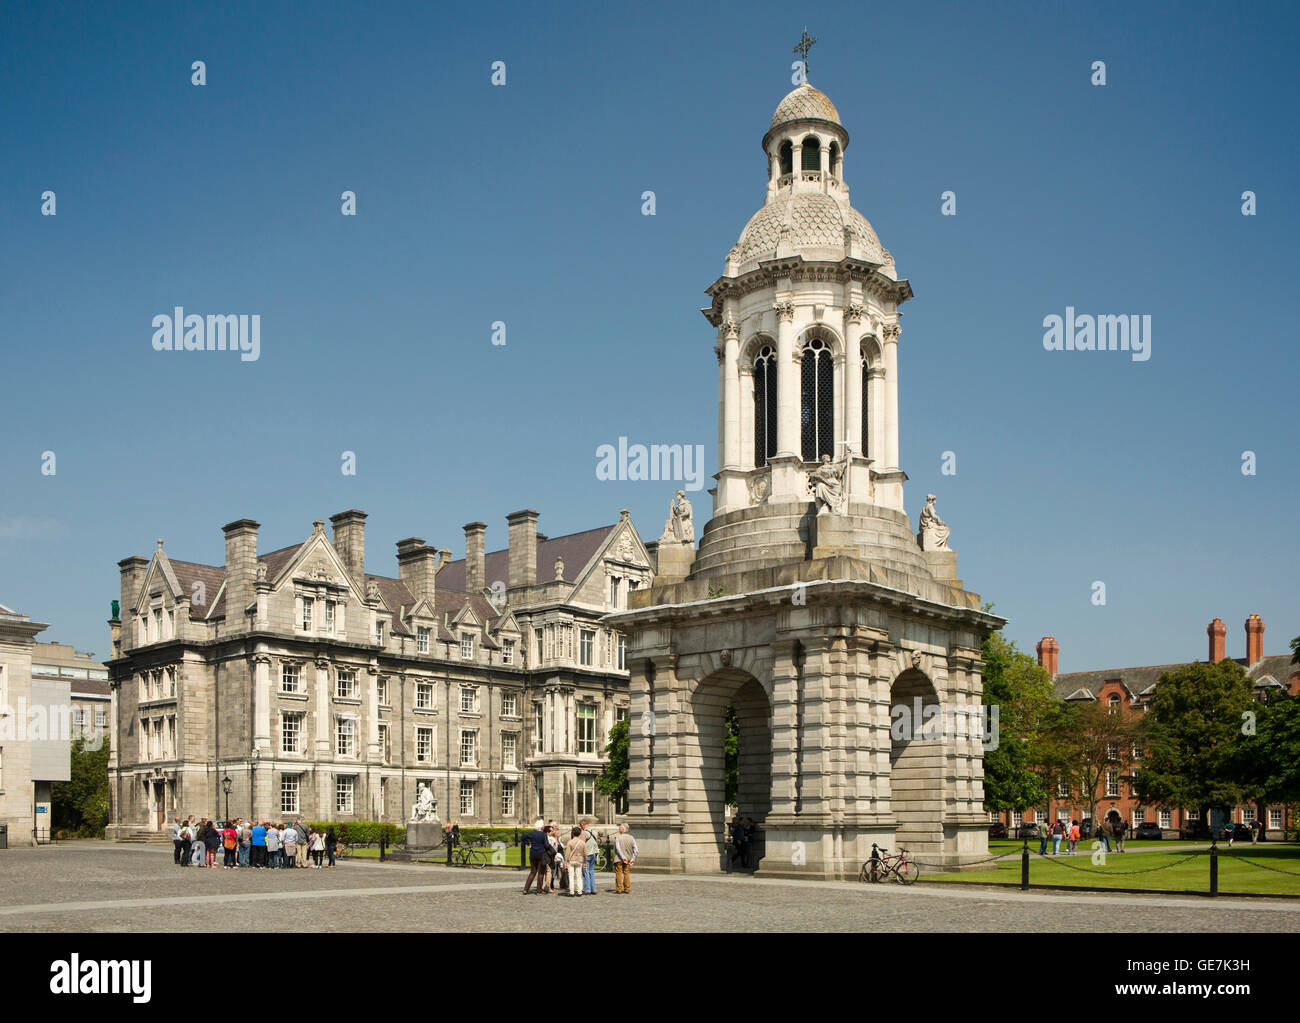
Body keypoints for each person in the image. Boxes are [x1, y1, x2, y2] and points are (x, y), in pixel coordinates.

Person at [522, 825, 552, 894]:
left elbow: (522, 838)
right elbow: (547, 845)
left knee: (532, 872)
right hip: (541, 854)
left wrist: (528, 844)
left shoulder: (531, 833)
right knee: (541, 873)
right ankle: (539, 891)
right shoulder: (543, 834)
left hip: (532, 854)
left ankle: (526, 889)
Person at [613, 823, 638, 894]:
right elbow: (636, 849)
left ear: (623, 829)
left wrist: (623, 857)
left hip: (619, 858)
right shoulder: (631, 837)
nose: (619, 829)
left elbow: (618, 849)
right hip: (628, 858)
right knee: (626, 873)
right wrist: (633, 859)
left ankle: (619, 889)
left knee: (619, 873)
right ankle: (627, 888)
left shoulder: (618, 837)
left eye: (620, 828)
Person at [564, 827, 587, 897]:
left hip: (571, 860)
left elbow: (567, 853)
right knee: (579, 876)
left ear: (572, 833)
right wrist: (585, 862)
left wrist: (565, 862)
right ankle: (579, 891)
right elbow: (585, 853)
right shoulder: (582, 842)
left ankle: (571, 891)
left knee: (571, 876)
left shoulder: (570, 842)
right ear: (580, 834)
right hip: (579, 860)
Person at [579, 820, 599, 895]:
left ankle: (587, 889)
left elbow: (581, 843)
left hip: (586, 854)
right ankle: (593, 889)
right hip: (594, 852)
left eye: (580, 826)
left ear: (582, 825)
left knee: (586, 872)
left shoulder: (584, 833)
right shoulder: (594, 832)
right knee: (591, 871)